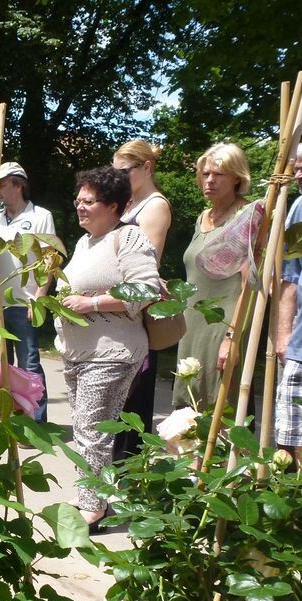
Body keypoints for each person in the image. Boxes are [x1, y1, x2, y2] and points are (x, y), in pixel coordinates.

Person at [54, 166, 159, 530]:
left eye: (88, 201)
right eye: (78, 200)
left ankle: (93, 507)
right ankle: (91, 493)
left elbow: (146, 289)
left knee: (92, 427)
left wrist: (92, 303)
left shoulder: (129, 239)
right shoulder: (85, 243)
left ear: (113, 206)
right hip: (78, 351)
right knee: (84, 427)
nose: (79, 207)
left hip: (112, 351)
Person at [171, 143, 253, 410]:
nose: (209, 180)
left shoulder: (247, 217)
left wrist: (233, 339)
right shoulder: (203, 217)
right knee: (190, 411)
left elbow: (248, 285)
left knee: (219, 410)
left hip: (223, 324)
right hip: (191, 323)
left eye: (219, 174)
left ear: (237, 177)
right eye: (205, 174)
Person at [111, 140, 173, 460]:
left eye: (124, 172)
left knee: (132, 406)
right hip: (117, 316)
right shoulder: (130, 204)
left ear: (146, 168)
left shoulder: (155, 206)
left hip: (135, 317)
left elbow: (144, 267)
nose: (118, 178)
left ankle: (128, 486)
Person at [0, 161, 57, 422]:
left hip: (25, 301)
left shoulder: (40, 216)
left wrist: (41, 295)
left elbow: (50, 257)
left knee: (28, 363)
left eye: (1, 184)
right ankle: (4, 418)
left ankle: (36, 422)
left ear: (18, 185)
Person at [274, 143, 302, 463]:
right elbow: (290, 276)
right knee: (293, 437)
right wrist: (284, 334)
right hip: (301, 345)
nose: (299, 173)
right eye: (297, 166)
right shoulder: (301, 208)